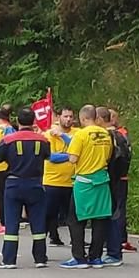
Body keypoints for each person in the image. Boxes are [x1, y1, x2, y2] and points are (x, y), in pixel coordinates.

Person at [0, 107, 50, 268]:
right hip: (36, 183)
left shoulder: (9, 139)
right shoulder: (42, 140)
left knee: (12, 222)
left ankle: (9, 260)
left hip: (14, 184)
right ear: (33, 121)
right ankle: (40, 258)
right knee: (38, 222)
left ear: (17, 121)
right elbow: (48, 155)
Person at [60, 105, 114, 268]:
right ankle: (96, 257)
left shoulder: (80, 135)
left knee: (75, 219)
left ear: (83, 118)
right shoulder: (105, 134)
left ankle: (79, 257)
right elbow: (109, 155)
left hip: (84, 182)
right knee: (100, 219)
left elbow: (73, 159)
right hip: (102, 180)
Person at [97, 106, 130, 266]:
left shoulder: (108, 136)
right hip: (119, 178)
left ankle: (114, 251)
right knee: (114, 213)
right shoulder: (121, 135)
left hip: (110, 180)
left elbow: (112, 159)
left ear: (100, 119)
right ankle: (113, 249)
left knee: (111, 214)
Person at [43, 106, 75, 247]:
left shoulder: (77, 133)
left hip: (72, 181)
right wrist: (70, 156)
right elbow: (51, 156)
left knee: (73, 214)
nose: (68, 119)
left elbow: (76, 148)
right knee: (50, 212)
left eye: (70, 117)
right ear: (58, 117)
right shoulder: (48, 135)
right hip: (52, 180)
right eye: (65, 116)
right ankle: (51, 236)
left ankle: (76, 239)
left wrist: (63, 136)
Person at [110, 109, 137, 252]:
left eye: (113, 116)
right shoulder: (118, 134)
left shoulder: (119, 134)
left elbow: (123, 155)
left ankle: (119, 239)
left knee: (117, 209)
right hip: (117, 176)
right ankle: (116, 239)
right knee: (115, 208)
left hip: (118, 177)